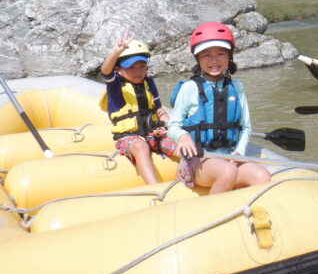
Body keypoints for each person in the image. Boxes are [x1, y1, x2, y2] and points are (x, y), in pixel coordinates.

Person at [167, 22, 270, 193]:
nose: (214, 61)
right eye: (206, 55)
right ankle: (214, 213)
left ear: (229, 56)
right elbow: (173, 126)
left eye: (220, 54)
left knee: (262, 176)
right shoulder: (189, 88)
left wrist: (238, 152)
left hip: (229, 155)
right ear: (197, 58)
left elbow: (246, 127)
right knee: (227, 172)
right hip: (199, 159)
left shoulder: (237, 87)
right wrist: (183, 136)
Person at [99, 33, 177, 185]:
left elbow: (158, 110)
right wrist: (116, 52)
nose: (138, 72)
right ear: (119, 69)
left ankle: (200, 169)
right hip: (128, 138)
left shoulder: (148, 83)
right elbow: (105, 71)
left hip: (153, 133)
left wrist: (170, 125)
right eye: (131, 68)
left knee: (179, 141)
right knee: (140, 146)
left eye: (142, 67)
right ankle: (155, 188)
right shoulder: (115, 85)